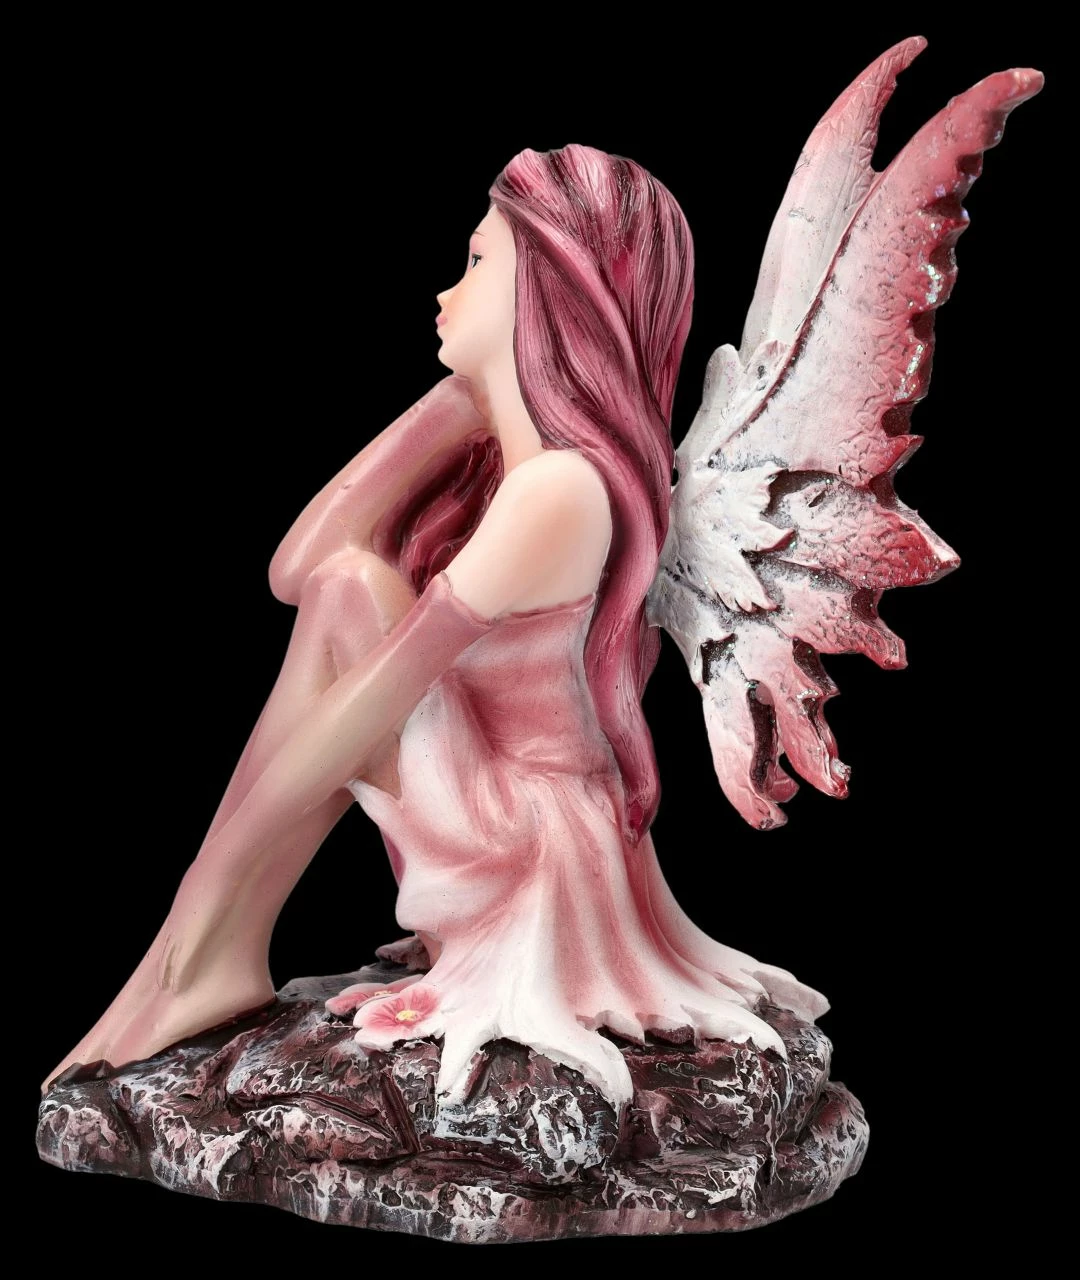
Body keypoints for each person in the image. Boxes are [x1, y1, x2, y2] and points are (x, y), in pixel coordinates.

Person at [43, 144, 827, 1109]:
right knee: (343, 590)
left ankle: (206, 953)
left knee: (352, 598)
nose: (449, 290)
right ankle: (208, 953)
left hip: (526, 840)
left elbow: (368, 705)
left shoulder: (558, 491)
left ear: (551, 288)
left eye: (479, 262)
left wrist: (202, 894)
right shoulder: (523, 467)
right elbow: (295, 569)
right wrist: (462, 404)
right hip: (482, 797)